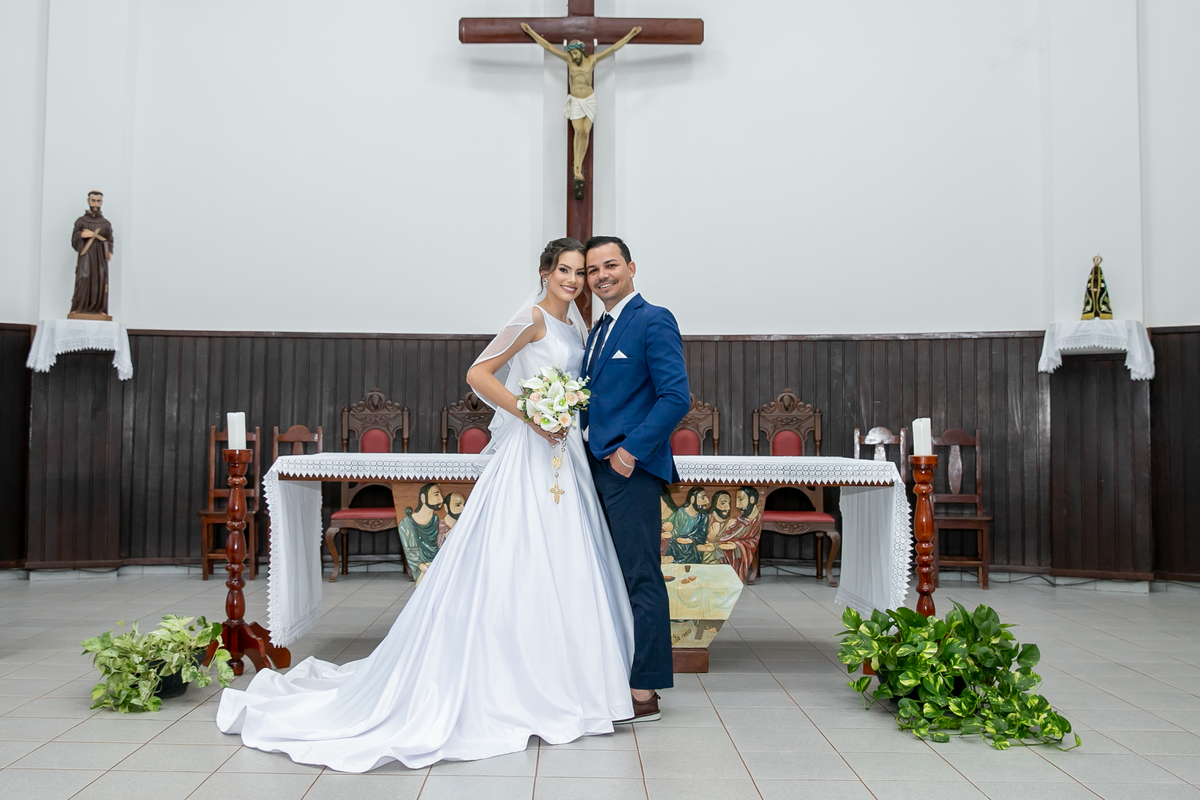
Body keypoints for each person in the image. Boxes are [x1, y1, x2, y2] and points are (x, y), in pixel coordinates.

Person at [216, 238, 635, 772]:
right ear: (544, 273)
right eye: (564, 271)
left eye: (579, 272)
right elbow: (479, 374)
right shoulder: (531, 319)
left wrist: (564, 416)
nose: (574, 281)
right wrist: (531, 413)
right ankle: (514, 680)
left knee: (570, 560)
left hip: (565, 454)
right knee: (519, 557)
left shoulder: (578, 327)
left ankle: (572, 681)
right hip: (531, 453)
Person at [582, 235, 691, 723]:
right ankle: (609, 674)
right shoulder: (596, 331)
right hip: (591, 468)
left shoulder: (653, 319)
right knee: (604, 574)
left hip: (629, 471)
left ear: (630, 267)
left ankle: (644, 692)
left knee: (640, 576)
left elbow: (675, 396)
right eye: (592, 270)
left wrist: (629, 453)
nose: (601, 276)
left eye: (610, 265)